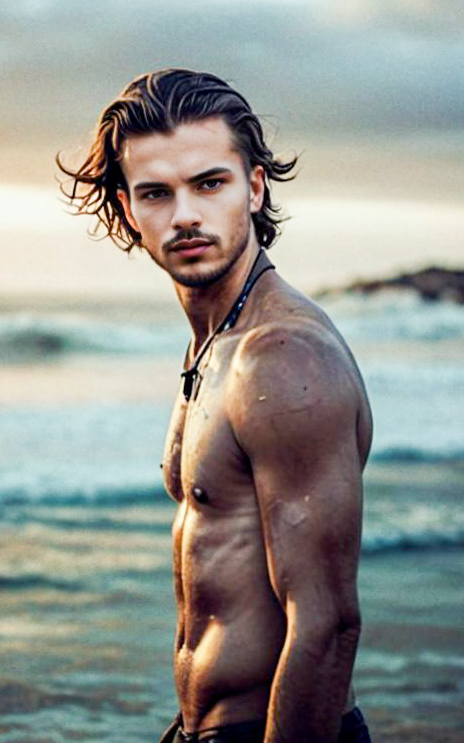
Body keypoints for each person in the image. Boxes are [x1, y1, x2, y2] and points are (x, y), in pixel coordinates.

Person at [59, 69, 373, 743]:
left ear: (254, 187)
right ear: (127, 207)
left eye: (210, 183)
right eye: (156, 193)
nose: (185, 216)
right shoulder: (212, 342)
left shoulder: (281, 357)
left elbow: (326, 623)